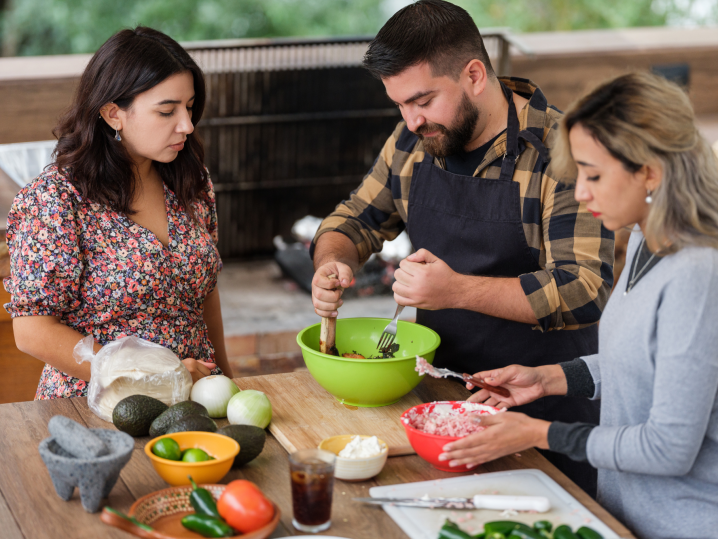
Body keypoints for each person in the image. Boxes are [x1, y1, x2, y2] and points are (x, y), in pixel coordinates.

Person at [310, 0, 613, 494]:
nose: (410, 120)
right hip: (443, 401)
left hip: (546, 413)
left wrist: (457, 291)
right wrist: (332, 261)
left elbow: (586, 288)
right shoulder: (413, 141)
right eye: (400, 105)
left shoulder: (561, 151)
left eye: (423, 100)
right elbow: (355, 218)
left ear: (474, 74)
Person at [442, 71, 718, 539]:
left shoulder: (698, 274)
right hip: (621, 516)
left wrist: (538, 434)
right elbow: (646, 362)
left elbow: (668, 448)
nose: (582, 191)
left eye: (593, 174)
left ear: (649, 172)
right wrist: (548, 379)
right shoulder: (645, 241)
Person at [3, 27, 232, 399]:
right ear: (113, 114)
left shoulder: (191, 180)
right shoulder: (55, 200)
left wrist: (228, 381)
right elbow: (32, 331)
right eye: (167, 110)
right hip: (96, 407)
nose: (187, 125)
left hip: (196, 397)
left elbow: (205, 294)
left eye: (189, 107)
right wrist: (153, 377)